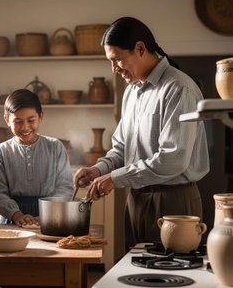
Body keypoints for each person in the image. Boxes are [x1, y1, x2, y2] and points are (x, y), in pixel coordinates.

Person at [74, 17, 210, 250]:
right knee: (136, 277)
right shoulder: (132, 92)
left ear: (140, 48)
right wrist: (99, 169)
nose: (114, 69)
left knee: (170, 279)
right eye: (110, 61)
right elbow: (121, 149)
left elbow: (173, 160)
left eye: (117, 59)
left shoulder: (178, 88)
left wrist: (116, 178)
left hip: (173, 201)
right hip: (136, 199)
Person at [0, 89, 73, 288]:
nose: (25, 127)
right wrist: (16, 215)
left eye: (31, 120)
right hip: (11, 224)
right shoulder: (1, 152)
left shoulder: (55, 147)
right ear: (7, 120)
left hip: (50, 221)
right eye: (17, 121)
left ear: (41, 117)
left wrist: (47, 214)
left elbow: (65, 187)